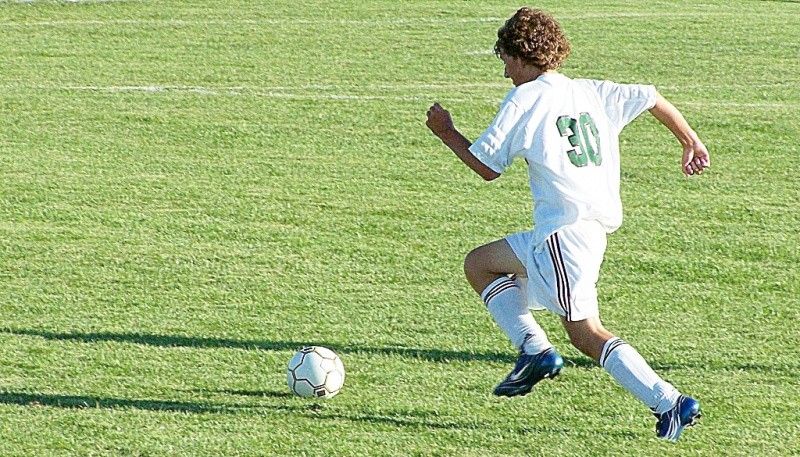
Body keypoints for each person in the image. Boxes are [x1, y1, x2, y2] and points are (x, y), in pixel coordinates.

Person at [425, 7, 709, 441]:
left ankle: (669, 402)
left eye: (504, 60)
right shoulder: (589, 91)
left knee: (586, 334)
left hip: (564, 234)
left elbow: (487, 167)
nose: (504, 72)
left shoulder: (526, 97)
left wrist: (446, 132)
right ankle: (534, 350)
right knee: (480, 263)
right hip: (580, 230)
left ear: (522, 56)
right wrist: (690, 139)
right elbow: (651, 97)